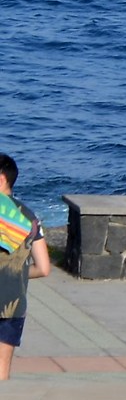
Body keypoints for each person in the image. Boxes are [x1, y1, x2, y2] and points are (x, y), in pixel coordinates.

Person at [0, 155, 52, 381]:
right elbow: (44, 268)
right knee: (2, 369)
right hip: (13, 304)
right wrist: (19, 273)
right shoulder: (30, 218)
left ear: (1, 179)